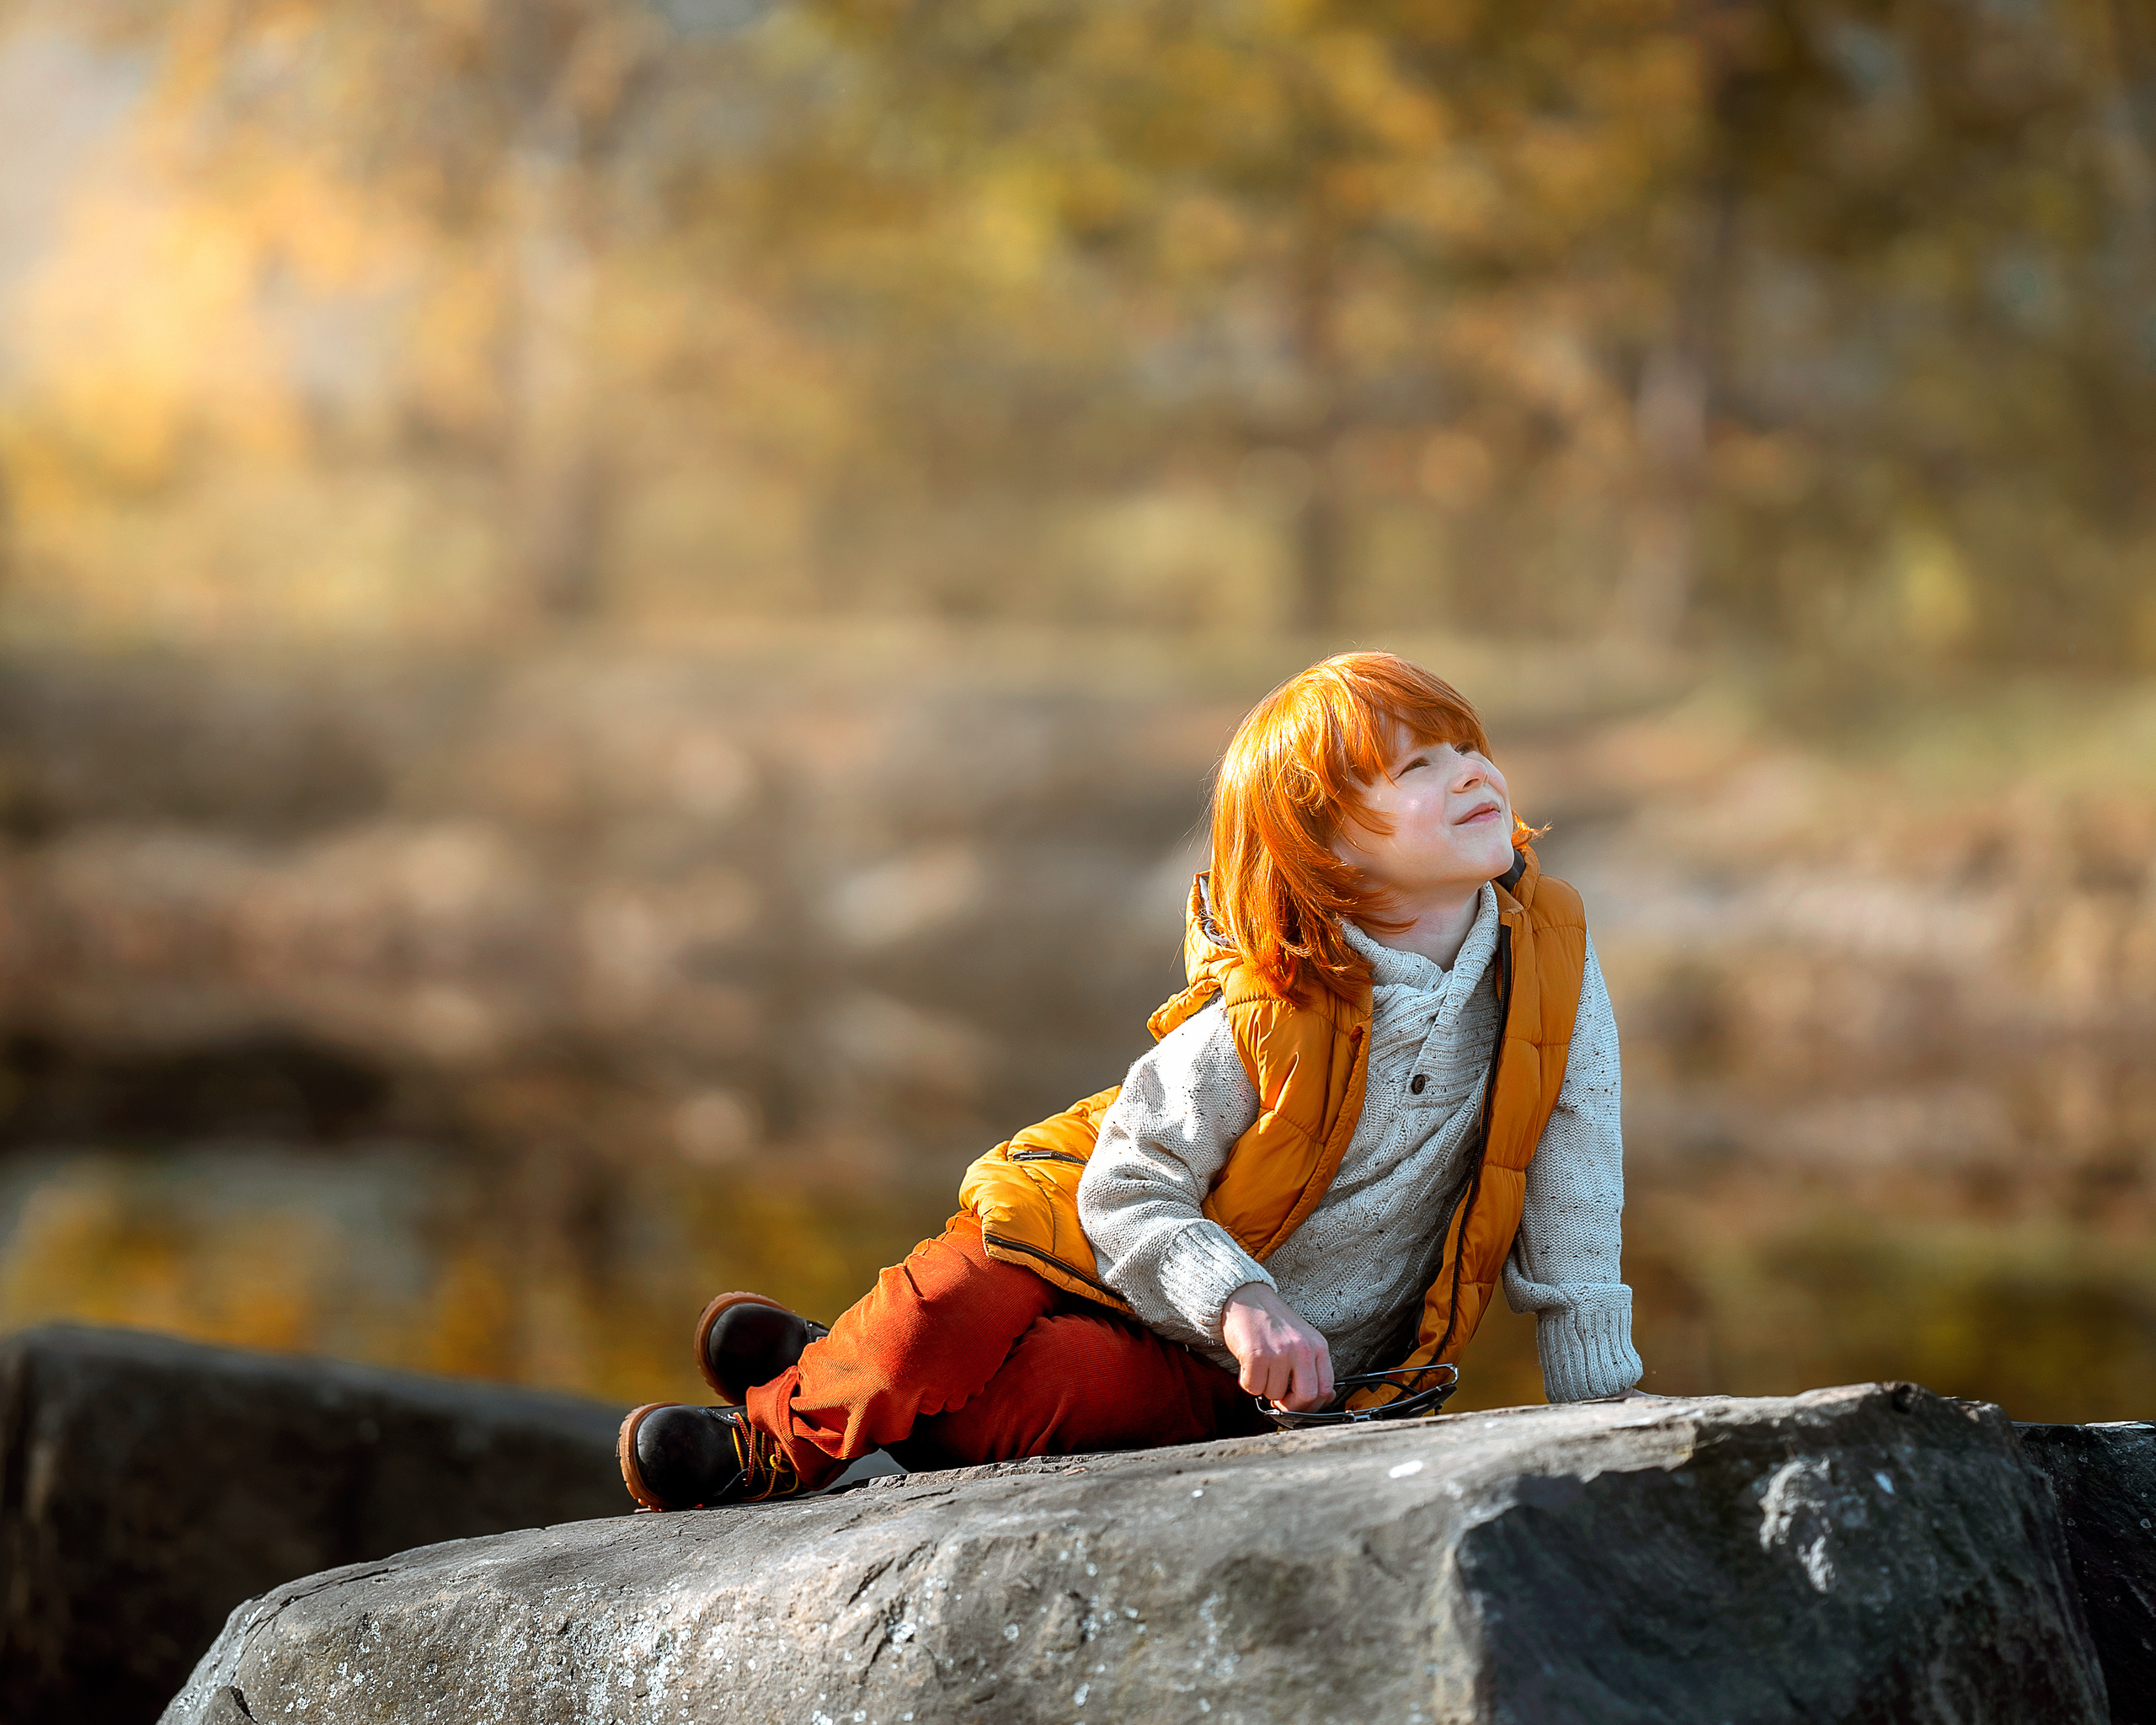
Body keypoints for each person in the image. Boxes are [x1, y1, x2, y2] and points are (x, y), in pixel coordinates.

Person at [617, 651, 1645, 1510]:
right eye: (1419, 764)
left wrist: (1596, 1412)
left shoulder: (1549, 957)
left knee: (1022, 1409)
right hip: (1096, 1223)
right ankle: (775, 1439)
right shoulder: (1272, 1002)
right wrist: (1241, 1295)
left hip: (1226, 1368)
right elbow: (1123, 1183)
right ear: (1320, 845)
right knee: (944, 1313)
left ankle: (848, 1364)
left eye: (1468, 745)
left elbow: (1576, 1172)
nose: (1470, 772)